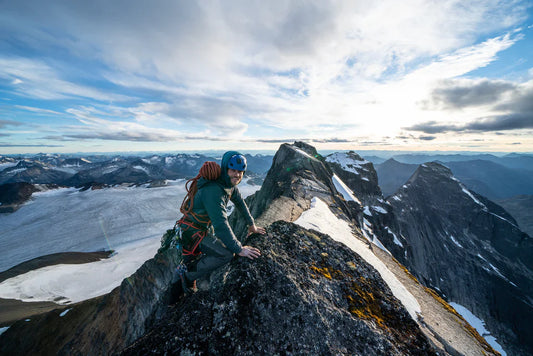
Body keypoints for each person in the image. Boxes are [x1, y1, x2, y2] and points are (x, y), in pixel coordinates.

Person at [177, 151, 266, 295]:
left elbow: (240, 204)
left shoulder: (228, 184)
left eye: (240, 171)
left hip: (200, 230)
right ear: (225, 169)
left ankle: (187, 275)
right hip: (192, 232)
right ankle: (186, 276)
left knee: (198, 259)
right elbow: (220, 224)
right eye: (233, 170)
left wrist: (252, 225)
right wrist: (239, 249)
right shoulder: (214, 190)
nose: (237, 175)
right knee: (226, 254)